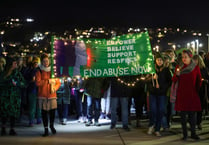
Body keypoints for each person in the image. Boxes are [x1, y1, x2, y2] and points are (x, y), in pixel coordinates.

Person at [172, 50, 202, 140]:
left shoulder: (195, 67)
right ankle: (185, 134)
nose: (184, 59)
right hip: (182, 95)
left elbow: (199, 80)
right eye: (183, 57)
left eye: (186, 57)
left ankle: (193, 133)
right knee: (183, 117)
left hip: (192, 94)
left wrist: (196, 90)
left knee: (192, 116)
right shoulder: (179, 67)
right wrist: (177, 75)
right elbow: (173, 80)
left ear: (190, 57)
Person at [35, 53, 61, 137]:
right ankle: (46, 128)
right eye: (44, 61)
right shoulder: (39, 71)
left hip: (52, 95)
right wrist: (47, 81)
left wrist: (55, 88)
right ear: (42, 62)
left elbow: (58, 82)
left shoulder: (53, 71)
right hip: (42, 95)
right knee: (44, 113)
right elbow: (37, 83)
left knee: (52, 112)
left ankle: (52, 125)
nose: (46, 62)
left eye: (47, 61)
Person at [147, 53, 172, 137]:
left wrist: (162, 87)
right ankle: (151, 125)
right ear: (155, 60)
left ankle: (157, 129)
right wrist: (152, 78)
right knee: (153, 110)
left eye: (161, 60)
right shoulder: (151, 70)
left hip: (162, 94)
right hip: (153, 93)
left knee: (161, 111)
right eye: (158, 60)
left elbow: (170, 81)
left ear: (163, 61)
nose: (159, 62)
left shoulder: (166, 70)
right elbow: (145, 80)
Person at [0, 57, 26, 136]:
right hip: (5, 96)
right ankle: (3, 128)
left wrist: (18, 84)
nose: (16, 64)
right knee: (4, 112)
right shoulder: (3, 73)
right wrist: (7, 82)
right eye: (14, 63)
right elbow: (1, 82)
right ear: (10, 64)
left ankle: (12, 128)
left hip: (14, 97)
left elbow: (23, 83)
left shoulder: (17, 73)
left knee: (13, 113)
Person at [193, 54, 209, 130]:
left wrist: (204, 80)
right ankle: (193, 122)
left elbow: (207, 79)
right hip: (193, 90)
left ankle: (199, 122)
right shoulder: (191, 68)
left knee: (200, 108)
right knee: (193, 108)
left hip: (201, 90)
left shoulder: (204, 69)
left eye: (196, 60)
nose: (194, 62)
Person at [25, 56, 42, 126]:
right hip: (33, 90)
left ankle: (37, 119)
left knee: (38, 106)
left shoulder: (38, 70)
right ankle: (33, 120)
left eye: (37, 63)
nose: (36, 64)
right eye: (35, 62)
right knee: (33, 106)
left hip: (37, 89)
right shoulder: (31, 70)